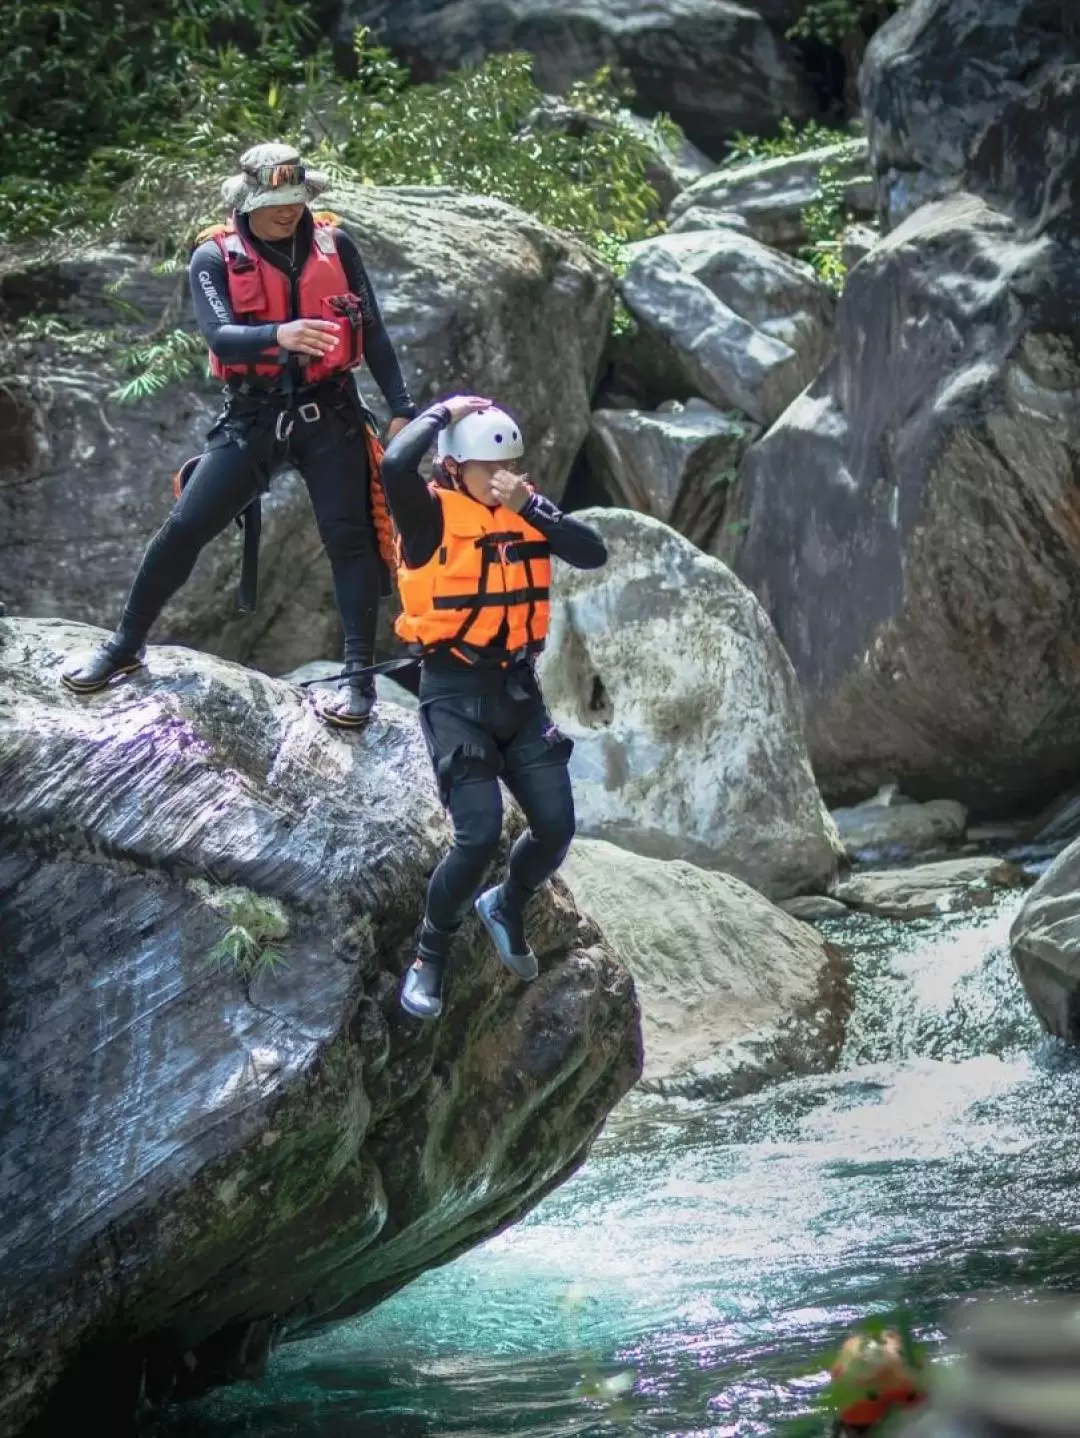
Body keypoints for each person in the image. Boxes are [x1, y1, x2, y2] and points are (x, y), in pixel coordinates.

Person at [62, 142, 416, 727]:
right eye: (277, 200)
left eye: (297, 199)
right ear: (248, 201)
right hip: (253, 417)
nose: (289, 210)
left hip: (331, 415)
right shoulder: (214, 257)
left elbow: (371, 331)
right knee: (185, 527)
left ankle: (358, 682)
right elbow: (223, 337)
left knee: (350, 539)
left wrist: (401, 406)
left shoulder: (336, 243)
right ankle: (124, 645)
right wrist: (282, 334)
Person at [378, 394, 606, 1019]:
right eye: (483, 467)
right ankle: (430, 956)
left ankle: (506, 904)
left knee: (557, 825)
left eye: (506, 466)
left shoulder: (525, 510)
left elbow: (592, 552)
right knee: (477, 835)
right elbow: (393, 468)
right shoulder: (427, 518)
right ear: (454, 467)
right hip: (454, 694)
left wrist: (528, 504)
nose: (498, 476)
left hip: (517, 694)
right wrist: (441, 412)